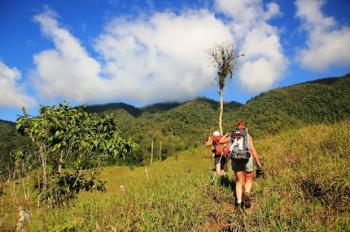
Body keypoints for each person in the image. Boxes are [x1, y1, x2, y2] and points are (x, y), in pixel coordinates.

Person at [220, 120, 262, 208]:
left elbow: (221, 141)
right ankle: (246, 193)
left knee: (239, 181)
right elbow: (252, 150)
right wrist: (258, 163)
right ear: (246, 128)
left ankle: (238, 203)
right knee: (248, 179)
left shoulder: (233, 135)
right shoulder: (247, 136)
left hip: (235, 160)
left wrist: (227, 134)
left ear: (236, 128)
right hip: (247, 159)